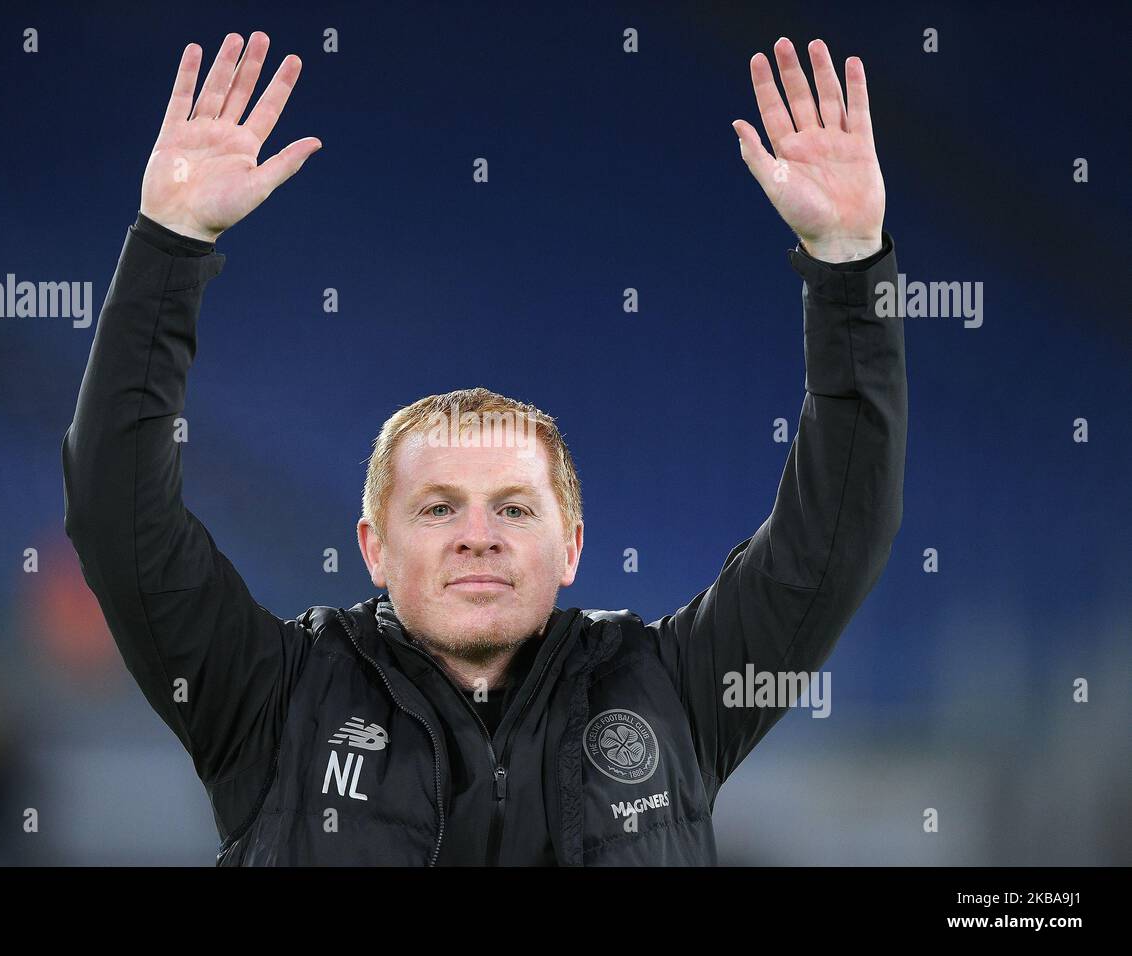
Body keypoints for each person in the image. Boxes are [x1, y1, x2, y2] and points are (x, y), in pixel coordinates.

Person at [62, 31, 905, 865]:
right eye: (437, 508)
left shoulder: (672, 691)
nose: (479, 534)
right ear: (374, 548)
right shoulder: (273, 698)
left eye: (513, 507)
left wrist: (849, 263)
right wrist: (169, 243)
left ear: (570, 546)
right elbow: (117, 514)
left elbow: (835, 536)